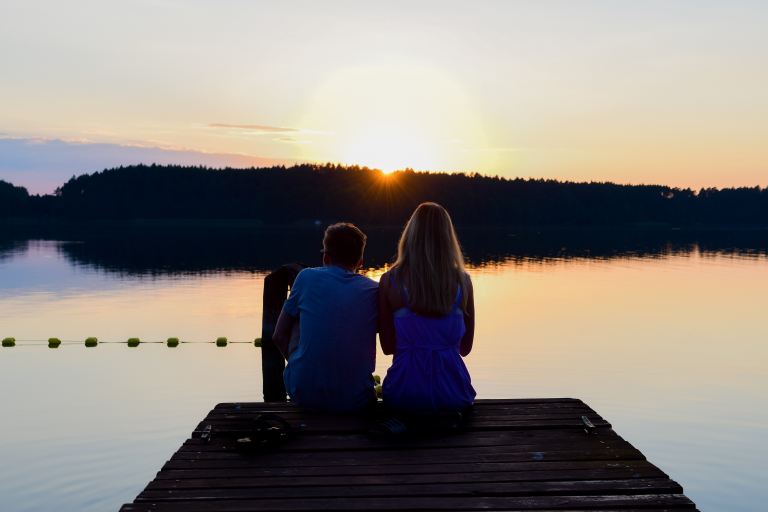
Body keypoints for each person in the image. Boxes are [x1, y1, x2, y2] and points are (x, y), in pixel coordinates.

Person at [378, 202, 476, 415]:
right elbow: (465, 348)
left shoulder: (390, 281)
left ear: (410, 235)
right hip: (454, 395)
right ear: (448, 238)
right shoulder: (463, 283)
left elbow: (388, 347)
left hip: (404, 394)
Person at [272, 223, 378, 413]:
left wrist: (300, 362)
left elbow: (278, 336)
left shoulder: (306, 278)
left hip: (305, 394)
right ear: (360, 262)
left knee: (298, 318)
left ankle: (308, 372)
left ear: (325, 257)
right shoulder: (373, 289)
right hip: (356, 399)